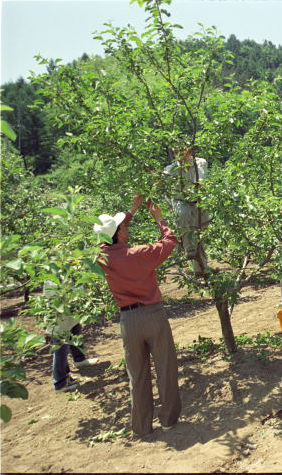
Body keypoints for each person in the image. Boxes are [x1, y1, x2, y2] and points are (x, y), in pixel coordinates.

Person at [94, 195, 181, 436]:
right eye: (123, 227)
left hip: (128, 321)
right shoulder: (140, 253)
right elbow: (170, 241)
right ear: (120, 233)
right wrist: (160, 219)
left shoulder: (103, 257)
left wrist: (129, 213)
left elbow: (106, 240)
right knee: (165, 368)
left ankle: (142, 426)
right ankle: (168, 420)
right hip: (153, 315)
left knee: (137, 374)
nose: (126, 228)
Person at [43, 281, 99, 392]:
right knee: (60, 349)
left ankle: (78, 360)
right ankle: (60, 383)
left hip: (70, 316)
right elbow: (57, 299)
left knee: (75, 331)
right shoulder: (51, 277)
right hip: (59, 319)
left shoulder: (68, 270)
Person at [162, 147, 210, 276]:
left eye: (183, 151)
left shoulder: (200, 162)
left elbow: (200, 182)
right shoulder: (170, 169)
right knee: (183, 216)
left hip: (199, 199)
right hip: (181, 200)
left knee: (201, 231)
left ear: (190, 152)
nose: (180, 155)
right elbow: (161, 182)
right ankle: (189, 249)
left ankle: (201, 268)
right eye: (177, 152)